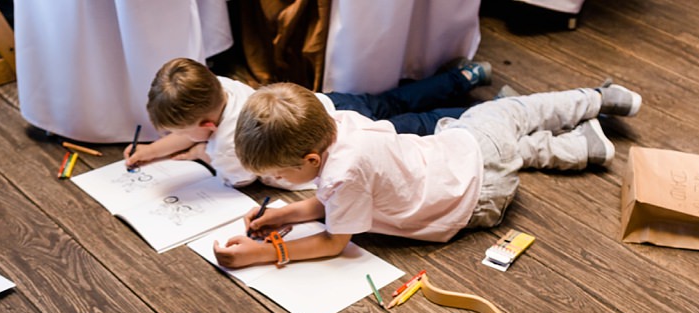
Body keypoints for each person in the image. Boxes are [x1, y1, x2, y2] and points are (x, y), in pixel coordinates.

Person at [208, 80, 640, 268]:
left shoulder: (341, 175)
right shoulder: (337, 123)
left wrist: (261, 253)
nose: (284, 183)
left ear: (309, 161)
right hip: (471, 169)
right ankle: (591, 109)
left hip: (476, 191)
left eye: (284, 174)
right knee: (509, 116)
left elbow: (334, 241)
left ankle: (587, 124)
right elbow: (337, 201)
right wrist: (284, 217)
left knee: (507, 116)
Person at [127, 57, 495, 188]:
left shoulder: (226, 147)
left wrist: (198, 155)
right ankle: (466, 77)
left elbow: (238, 178)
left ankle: (489, 114)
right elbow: (197, 129)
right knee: (393, 101)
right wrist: (151, 151)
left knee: (415, 126)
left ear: (206, 128)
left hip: (330, 141)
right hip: (331, 106)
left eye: (178, 132)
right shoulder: (221, 87)